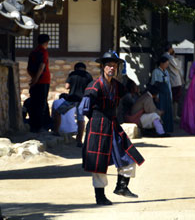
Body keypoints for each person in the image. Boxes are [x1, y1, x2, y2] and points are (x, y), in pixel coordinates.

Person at [81, 51, 144, 205]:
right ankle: (100, 196)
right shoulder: (94, 85)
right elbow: (85, 108)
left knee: (129, 155)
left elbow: (129, 93)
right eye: (109, 65)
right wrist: (94, 120)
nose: (111, 68)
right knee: (99, 162)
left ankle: (122, 187)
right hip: (98, 123)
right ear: (103, 67)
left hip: (113, 124)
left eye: (114, 66)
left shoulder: (117, 86)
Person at [65, 62, 93, 146]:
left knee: (59, 112)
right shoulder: (88, 75)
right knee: (81, 119)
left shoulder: (72, 74)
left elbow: (67, 86)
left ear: (75, 68)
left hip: (71, 98)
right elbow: (91, 87)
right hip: (83, 100)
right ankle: (79, 140)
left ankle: (57, 132)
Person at [27, 34, 51, 133]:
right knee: (41, 104)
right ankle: (41, 126)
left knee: (34, 103)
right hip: (43, 80)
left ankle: (34, 125)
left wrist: (33, 79)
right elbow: (42, 67)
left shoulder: (33, 52)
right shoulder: (43, 52)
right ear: (46, 42)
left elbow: (28, 68)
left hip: (35, 80)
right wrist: (36, 80)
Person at [151, 56, 174, 134]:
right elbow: (154, 84)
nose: (167, 65)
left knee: (167, 111)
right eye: (166, 63)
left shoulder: (166, 72)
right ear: (161, 63)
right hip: (160, 94)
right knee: (161, 110)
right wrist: (156, 95)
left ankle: (168, 128)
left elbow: (169, 84)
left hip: (167, 93)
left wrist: (170, 95)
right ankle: (161, 129)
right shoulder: (156, 71)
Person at [162, 43, 184, 121]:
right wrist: (177, 59)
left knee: (169, 98)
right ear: (170, 49)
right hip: (175, 80)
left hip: (167, 79)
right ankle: (174, 115)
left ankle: (169, 115)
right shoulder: (170, 57)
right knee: (176, 98)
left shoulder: (163, 56)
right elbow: (178, 66)